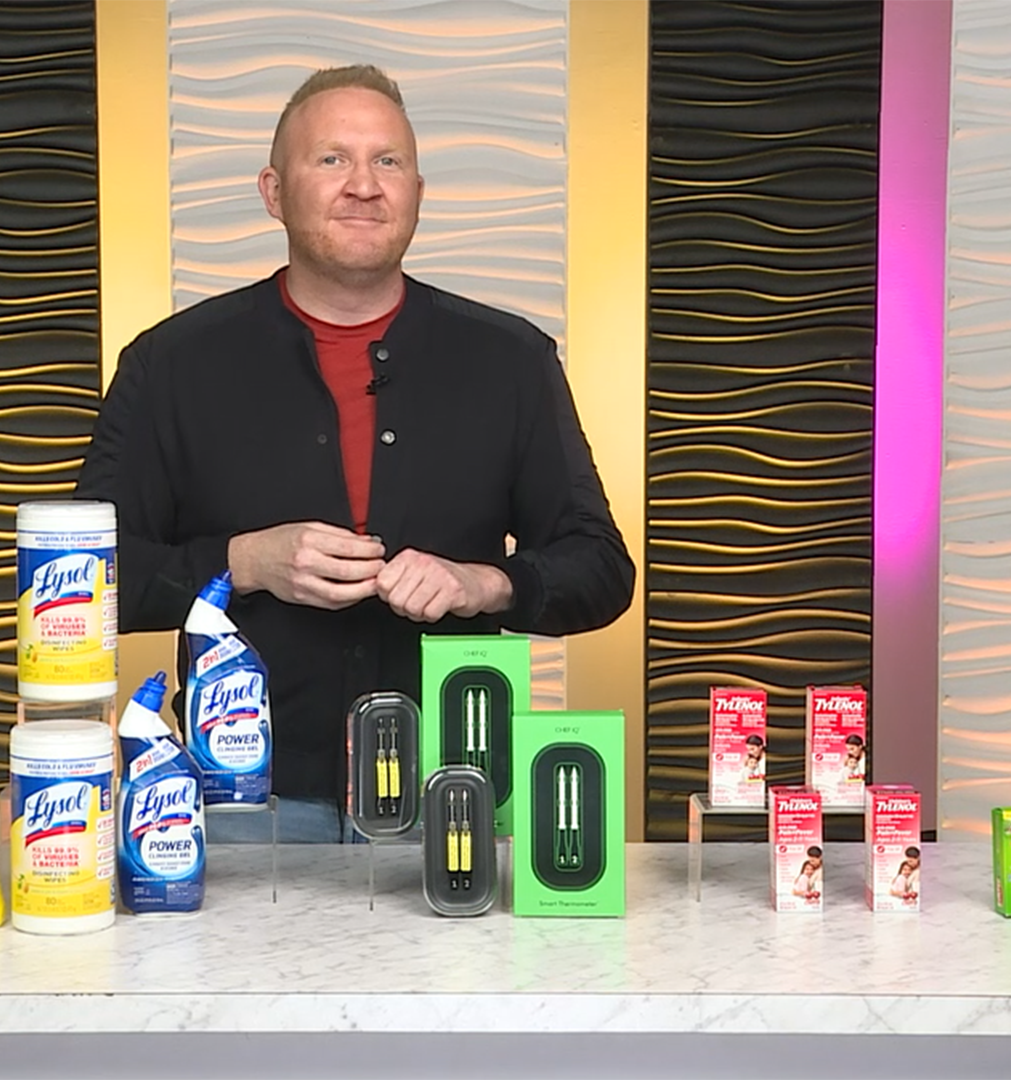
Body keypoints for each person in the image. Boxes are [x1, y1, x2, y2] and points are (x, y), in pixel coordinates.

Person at [79, 65, 634, 843]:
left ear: (416, 191)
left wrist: (484, 583)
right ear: (274, 191)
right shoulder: (170, 365)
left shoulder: (512, 360)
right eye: (332, 159)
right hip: (240, 801)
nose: (364, 186)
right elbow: (86, 582)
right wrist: (240, 563)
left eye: (389, 162)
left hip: (456, 795)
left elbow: (602, 569)